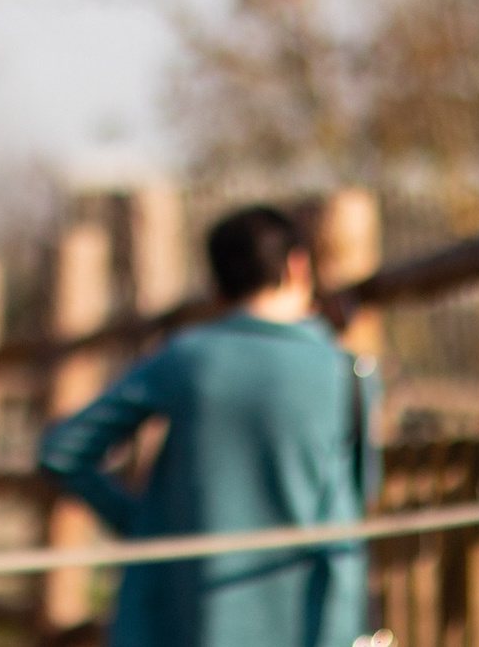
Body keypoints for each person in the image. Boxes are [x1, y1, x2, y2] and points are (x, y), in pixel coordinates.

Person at [38, 205, 379, 647]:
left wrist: (143, 524)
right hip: (304, 624)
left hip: (180, 621)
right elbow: (354, 505)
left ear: (216, 285)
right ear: (297, 266)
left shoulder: (185, 359)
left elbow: (63, 450)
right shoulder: (345, 374)